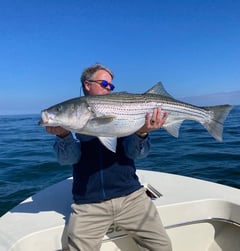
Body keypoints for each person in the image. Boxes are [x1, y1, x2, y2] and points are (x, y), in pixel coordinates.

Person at [46, 64, 172, 251]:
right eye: (104, 83)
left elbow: (137, 154)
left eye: (111, 86)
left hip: (132, 198)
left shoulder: (123, 109)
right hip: (89, 204)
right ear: (87, 85)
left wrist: (143, 132)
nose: (109, 89)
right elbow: (68, 160)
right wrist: (63, 135)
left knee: (163, 247)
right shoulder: (75, 116)